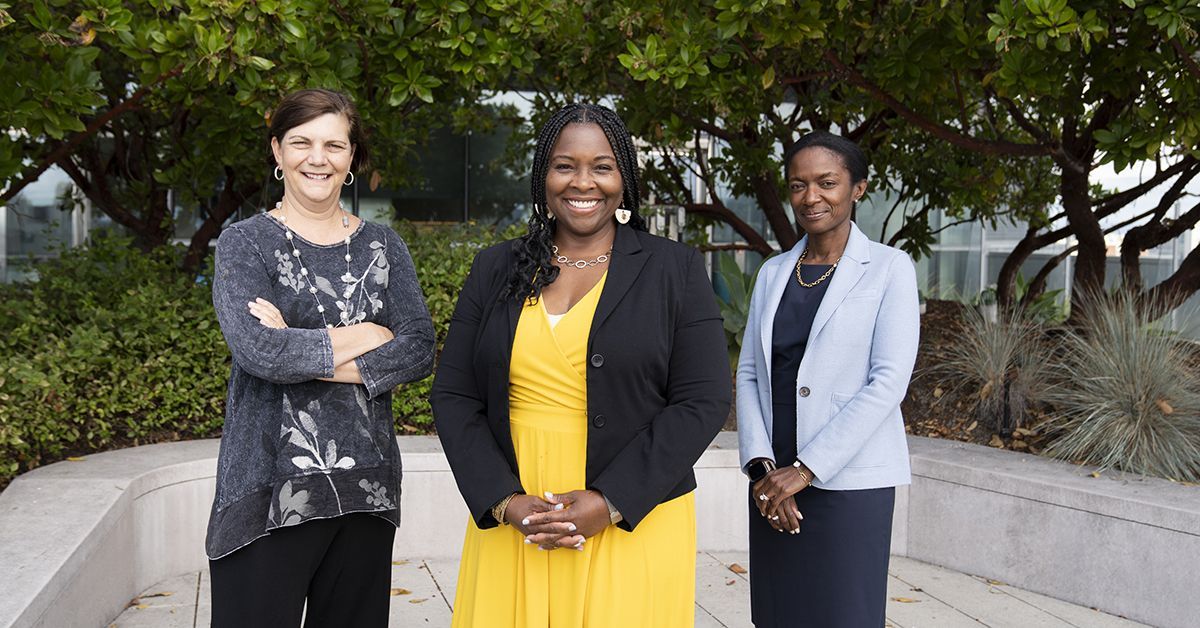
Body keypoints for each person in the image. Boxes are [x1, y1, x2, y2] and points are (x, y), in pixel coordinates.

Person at [431, 103, 731, 627]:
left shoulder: (673, 269)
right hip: (518, 516)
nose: (582, 182)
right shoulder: (495, 267)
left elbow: (703, 400)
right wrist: (504, 501)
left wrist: (611, 501)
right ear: (542, 177)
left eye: (602, 166)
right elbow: (454, 395)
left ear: (624, 180)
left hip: (634, 514)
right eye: (565, 165)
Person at [206, 88, 435, 628]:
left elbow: (420, 346)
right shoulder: (245, 243)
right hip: (265, 492)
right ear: (277, 152)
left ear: (350, 158)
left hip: (365, 486)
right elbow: (260, 350)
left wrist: (301, 341)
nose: (318, 157)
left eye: (334, 145)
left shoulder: (384, 247)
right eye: (301, 142)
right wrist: (370, 333)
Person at [736, 131, 919, 627]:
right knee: (778, 614)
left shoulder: (888, 269)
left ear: (857, 188)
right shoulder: (774, 272)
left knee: (844, 615)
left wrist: (806, 469)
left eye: (827, 182)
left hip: (849, 482)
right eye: (798, 185)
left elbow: (888, 382)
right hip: (773, 480)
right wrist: (762, 470)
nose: (811, 196)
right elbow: (751, 372)